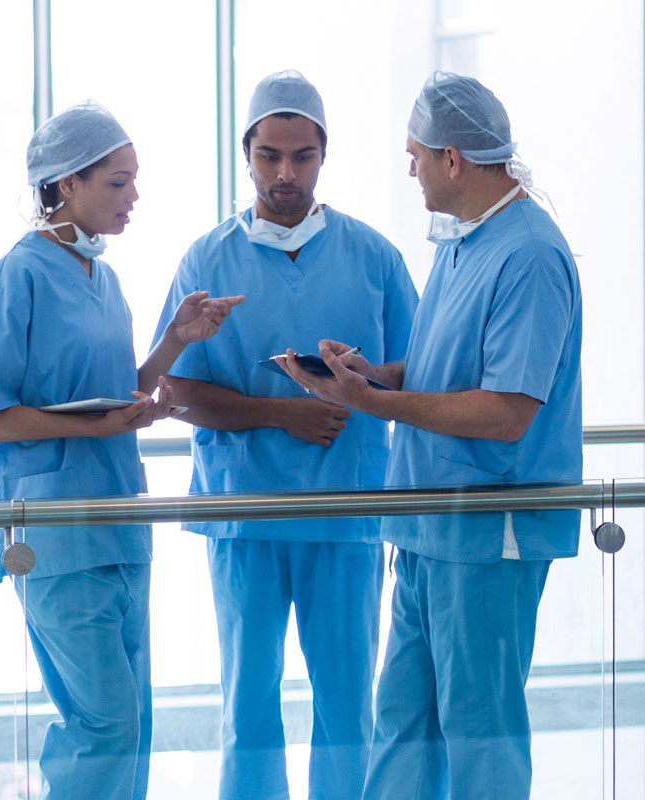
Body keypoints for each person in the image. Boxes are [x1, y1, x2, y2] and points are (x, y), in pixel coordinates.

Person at [280, 71, 582, 800]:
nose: (408, 167)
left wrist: (378, 406)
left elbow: (509, 410)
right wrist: (366, 376)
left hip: (485, 532)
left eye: (415, 153)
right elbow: (441, 364)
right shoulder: (460, 244)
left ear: (454, 158)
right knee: (402, 732)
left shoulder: (530, 255)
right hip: (424, 528)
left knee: (481, 736)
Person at [0, 100, 243, 800]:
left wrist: (174, 345)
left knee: (131, 722)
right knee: (103, 723)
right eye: (117, 182)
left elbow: (115, 395)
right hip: (56, 537)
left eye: (134, 180)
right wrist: (95, 430)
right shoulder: (12, 280)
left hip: (118, 525)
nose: (133, 198)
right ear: (63, 185)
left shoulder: (104, 281)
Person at [152, 71, 419, 800]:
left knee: (346, 709)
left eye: (301, 156)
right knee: (249, 706)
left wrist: (358, 381)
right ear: (246, 153)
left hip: (347, 513)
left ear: (324, 156)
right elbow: (173, 391)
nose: (284, 173)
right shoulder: (207, 261)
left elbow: (419, 378)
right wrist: (281, 412)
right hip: (244, 515)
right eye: (269, 155)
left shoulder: (374, 260)